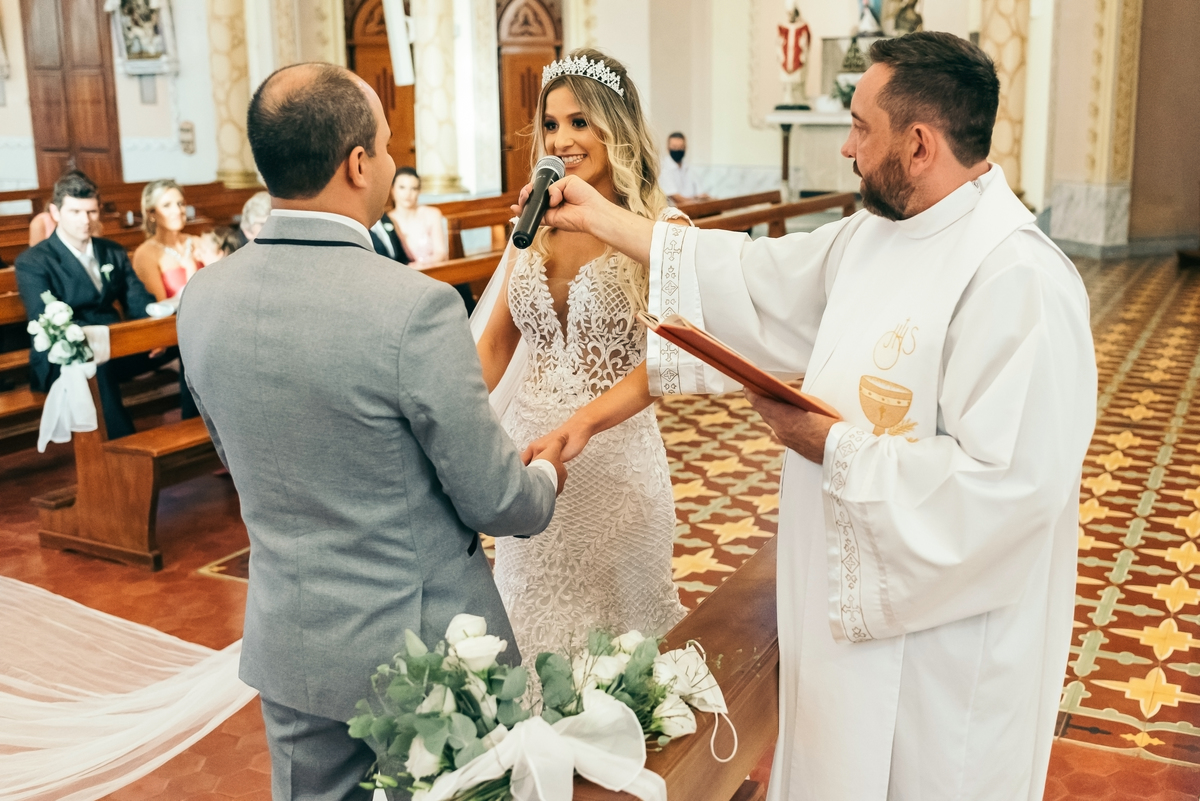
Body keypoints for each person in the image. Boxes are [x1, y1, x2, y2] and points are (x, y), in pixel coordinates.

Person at [518, 32, 1095, 801]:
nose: (850, 149)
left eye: (861, 128)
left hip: (943, 659)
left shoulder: (1017, 281)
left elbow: (1012, 492)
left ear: (919, 145)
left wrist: (834, 446)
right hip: (841, 627)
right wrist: (608, 219)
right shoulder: (876, 234)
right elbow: (760, 281)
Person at [176, 62, 567, 801]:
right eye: (386, 147)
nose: (390, 162)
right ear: (358, 164)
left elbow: (237, 455)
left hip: (291, 646)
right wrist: (543, 478)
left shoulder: (202, 299)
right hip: (421, 659)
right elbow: (494, 500)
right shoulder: (411, 307)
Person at [473, 49, 687, 670]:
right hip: (531, 460)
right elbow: (494, 345)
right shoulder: (534, 224)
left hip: (614, 461)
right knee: (531, 637)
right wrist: (450, 423)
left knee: (617, 659)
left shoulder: (661, 228)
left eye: (580, 122)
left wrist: (584, 423)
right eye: (551, 124)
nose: (561, 140)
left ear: (615, 126)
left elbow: (665, 361)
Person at [14, 171, 167, 440]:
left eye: (91, 212)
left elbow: (137, 299)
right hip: (62, 356)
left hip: (117, 346)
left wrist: (154, 333)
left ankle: (201, 430)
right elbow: (45, 319)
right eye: (75, 212)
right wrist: (104, 341)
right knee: (96, 361)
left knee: (188, 343)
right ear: (55, 212)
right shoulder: (33, 262)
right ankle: (123, 450)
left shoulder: (112, 251)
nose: (85, 221)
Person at [132, 179, 202, 301]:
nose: (178, 211)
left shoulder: (197, 242)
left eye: (181, 204)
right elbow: (161, 308)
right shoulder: (145, 254)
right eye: (166, 205)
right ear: (151, 214)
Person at [658, 132, 708, 204]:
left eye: (681, 147)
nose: (678, 150)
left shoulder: (689, 167)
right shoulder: (663, 168)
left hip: (694, 208)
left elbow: (701, 194)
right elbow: (675, 198)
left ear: (685, 148)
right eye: (674, 147)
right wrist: (695, 200)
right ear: (668, 148)